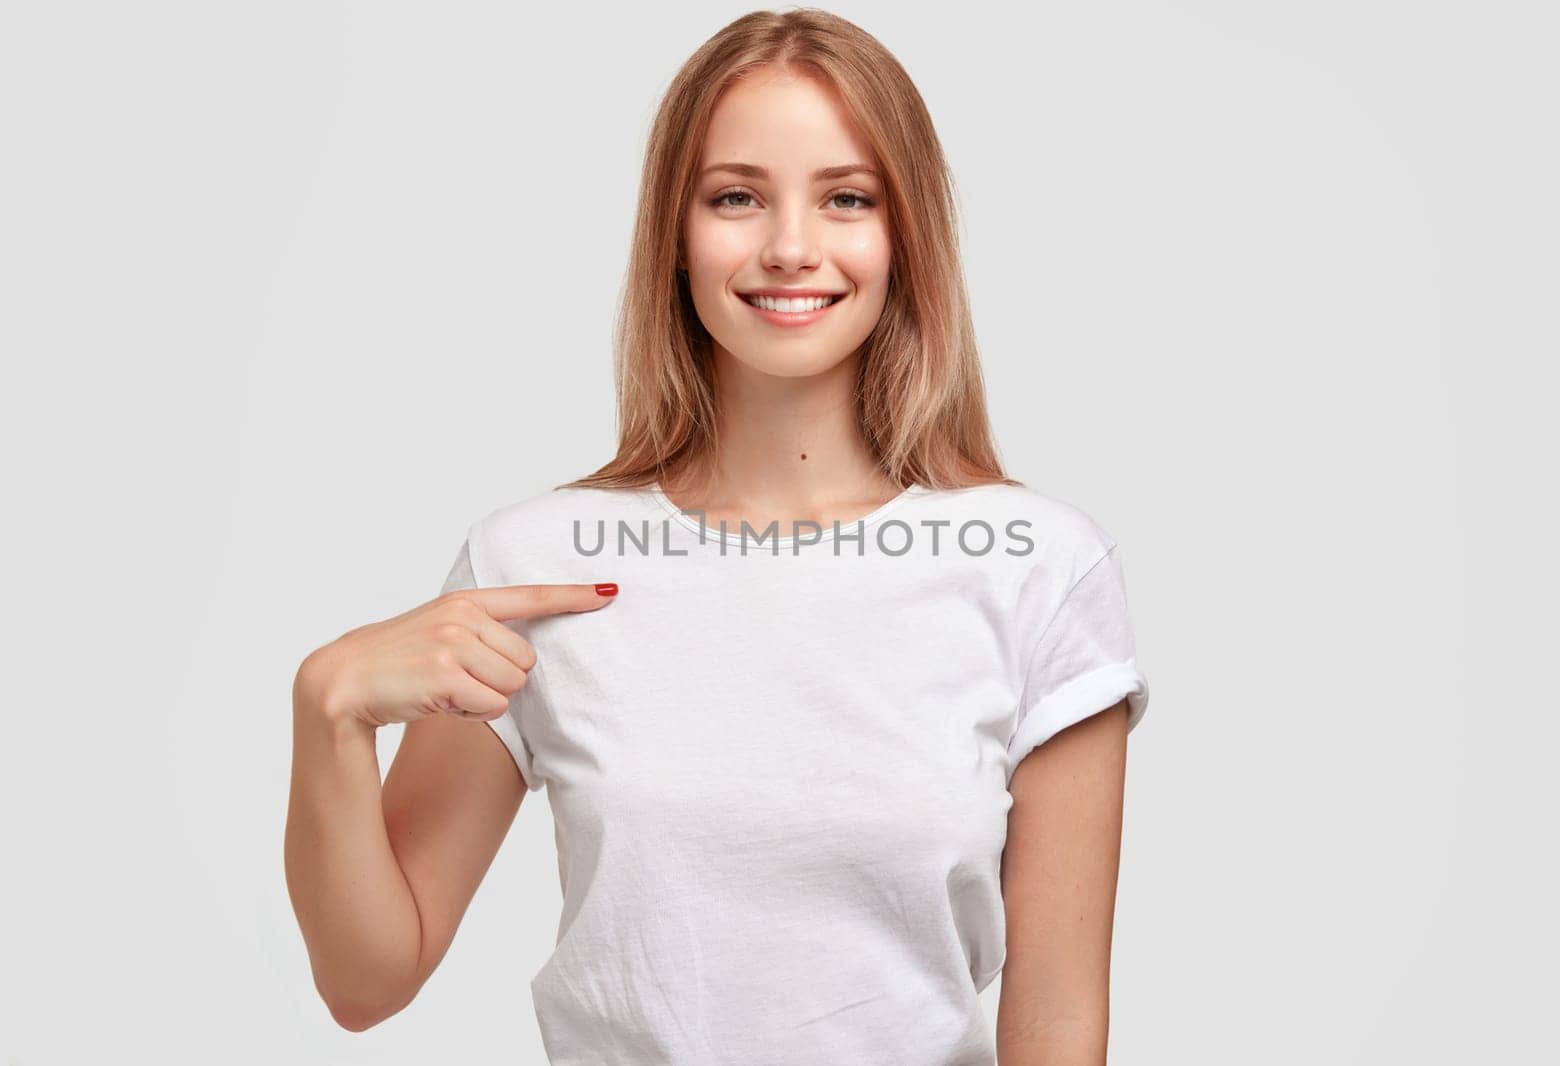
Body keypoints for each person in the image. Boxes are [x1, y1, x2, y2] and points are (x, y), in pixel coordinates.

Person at [285, 8, 1150, 1063]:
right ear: (676, 239)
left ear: (905, 236)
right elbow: (368, 980)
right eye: (736, 197)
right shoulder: (537, 570)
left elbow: (1056, 1021)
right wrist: (327, 710)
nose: (791, 247)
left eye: (846, 198)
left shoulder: (1036, 568)